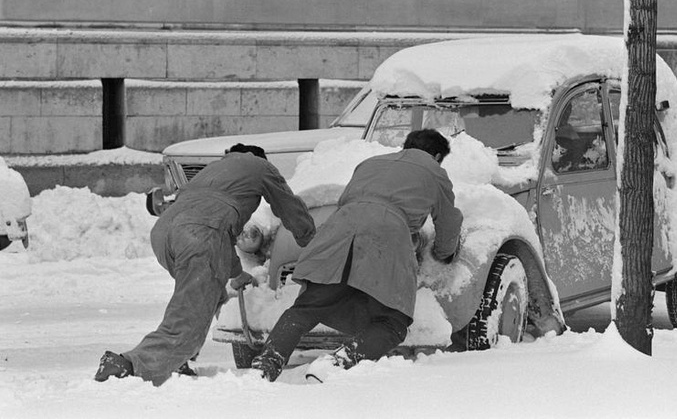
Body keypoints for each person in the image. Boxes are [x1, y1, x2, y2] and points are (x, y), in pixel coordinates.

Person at [251, 129, 463, 382]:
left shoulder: (369, 163)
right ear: (437, 155)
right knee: (392, 322)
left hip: (339, 229)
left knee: (307, 307)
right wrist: (443, 253)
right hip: (388, 234)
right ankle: (338, 362)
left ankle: (264, 365)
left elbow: (347, 200)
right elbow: (449, 221)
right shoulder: (435, 172)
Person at [94, 143, 315, 386]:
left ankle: (178, 360)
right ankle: (129, 365)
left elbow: (216, 230)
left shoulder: (213, 170)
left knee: (210, 295)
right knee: (188, 318)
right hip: (198, 236)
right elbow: (290, 208)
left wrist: (236, 273)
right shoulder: (260, 166)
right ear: (259, 156)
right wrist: (314, 242)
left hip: (166, 233)